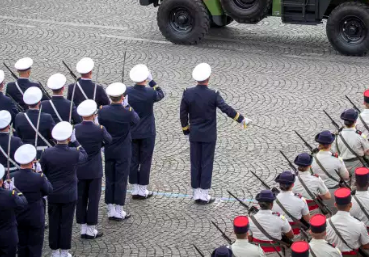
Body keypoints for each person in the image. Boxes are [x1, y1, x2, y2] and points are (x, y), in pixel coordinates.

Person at [180, 63, 250, 204]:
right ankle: (204, 194)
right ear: (208, 78)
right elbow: (226, 109)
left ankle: (196, 193)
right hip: (209, 135)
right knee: (206, 163)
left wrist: (186, 130)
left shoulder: (187, 92)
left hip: (194, 134)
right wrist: (241, 119)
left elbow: (183, 114)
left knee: (195, 162)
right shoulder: (213, 94)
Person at [40, 122, 87, 257]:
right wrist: (75, 141)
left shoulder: (46, 153)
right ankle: (64, 251)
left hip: (53, 193)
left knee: (53, 222)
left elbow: (41, 172)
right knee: (66, 223)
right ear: (68, 138)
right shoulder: (73, 152)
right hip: (69, 193)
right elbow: (85, 156)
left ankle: (54, 251)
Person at [98, 82, 139, 220]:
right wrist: (127, 106)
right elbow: (136, 121)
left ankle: (110, 207)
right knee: (121, 179)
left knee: (109, 178)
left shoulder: (102, 110)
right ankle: (118, 209)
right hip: (123, 150)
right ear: (122, 97)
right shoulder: (127, 112)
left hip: (109, 148)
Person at [74, 99, 112, 239]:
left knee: (81, 198)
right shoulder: (99, 129)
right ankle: (91, 228)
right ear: (94, 114)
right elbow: (109, 140)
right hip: (94, 169)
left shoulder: (75, 129)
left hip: (79, 169)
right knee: (93, 199)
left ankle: (83, 227)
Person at [126, 64, 164, 200]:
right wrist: (152, 81)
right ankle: (142, 189)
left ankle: (134, 188)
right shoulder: (150, 92)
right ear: (145, 78)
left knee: (133, 159)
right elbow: (161, 94)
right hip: (147, 131)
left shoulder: (127, 91)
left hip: (132, 130)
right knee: (145, 160)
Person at [12, 144, 53, 257]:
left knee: (21, 245)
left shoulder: (12, 177)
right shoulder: (38, 177)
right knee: (35, 246)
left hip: (19, 216)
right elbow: (49, 190)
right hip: (35, 215)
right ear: (33, 160)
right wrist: (41, 173)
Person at [312, 130, 350, 214]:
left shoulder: (312, 160)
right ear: (330, 144)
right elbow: (346, 176)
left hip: (319, 193)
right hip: (333, 190)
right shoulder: (336, 159)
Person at [325, 188, 369, 254]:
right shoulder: (359, 224)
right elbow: (367, 246)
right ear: (350, 205)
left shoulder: (326, 223)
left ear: (335, 204)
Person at [249, 189, 294, 254]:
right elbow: (291, 236)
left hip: (258, 253)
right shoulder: (280, 218)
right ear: (272, 204)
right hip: (277, 252)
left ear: (259, 204)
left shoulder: (250, 220)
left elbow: (249, 239)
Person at [14, 87, 55, 157]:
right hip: (43, 151)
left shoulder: (19, 117)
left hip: (25, 151)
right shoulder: (47, 117)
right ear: (39, 102)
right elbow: (52, 135)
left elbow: (17, 135)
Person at [333, 109, 369, 182]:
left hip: (343, 164)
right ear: (355, 121)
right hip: (357, 163)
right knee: (358, 184)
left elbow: (336, 152)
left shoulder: (338, 136)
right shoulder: (359, 135)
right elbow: (368, 152)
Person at [272, 171, 310, 237]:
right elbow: (307, 219)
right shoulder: (300, 200)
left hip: (282, 234)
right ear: (292, 185)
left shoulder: (272, 201)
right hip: (298, 232)